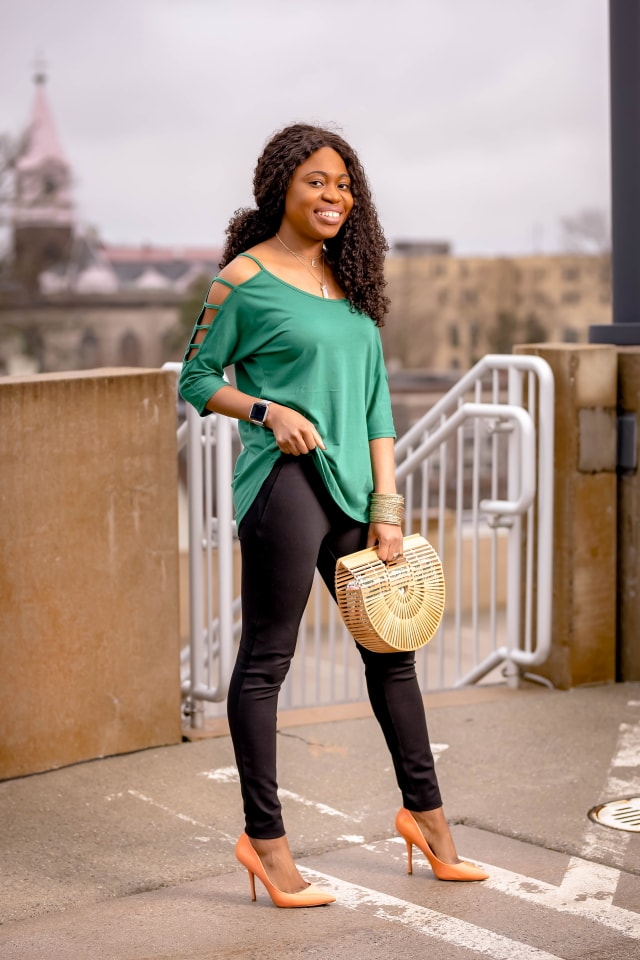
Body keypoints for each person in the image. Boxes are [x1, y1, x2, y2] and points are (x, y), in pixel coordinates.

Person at [179, 122, 488, 908]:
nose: (334, 195)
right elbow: (196, 378)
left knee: (393, 655)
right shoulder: (242, 279)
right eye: (318, 180)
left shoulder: (352, 283)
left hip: (356, 489)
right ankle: (266, 842)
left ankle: (429, 824)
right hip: (283, 486)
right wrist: (264, 409)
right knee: (267, 664)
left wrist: (389, 508)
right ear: (281, 184)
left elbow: (378, 407)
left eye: (345, 184)